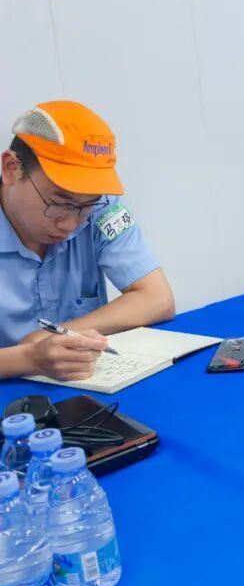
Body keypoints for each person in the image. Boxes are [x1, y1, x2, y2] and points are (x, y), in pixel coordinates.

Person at [0, 101, 175, 381]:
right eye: (59, 203)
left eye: (86, 207)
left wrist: (52, 335)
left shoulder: (101, 206)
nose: (71, 224)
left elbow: (157, 299)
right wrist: (28, 357)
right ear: (12, 169)